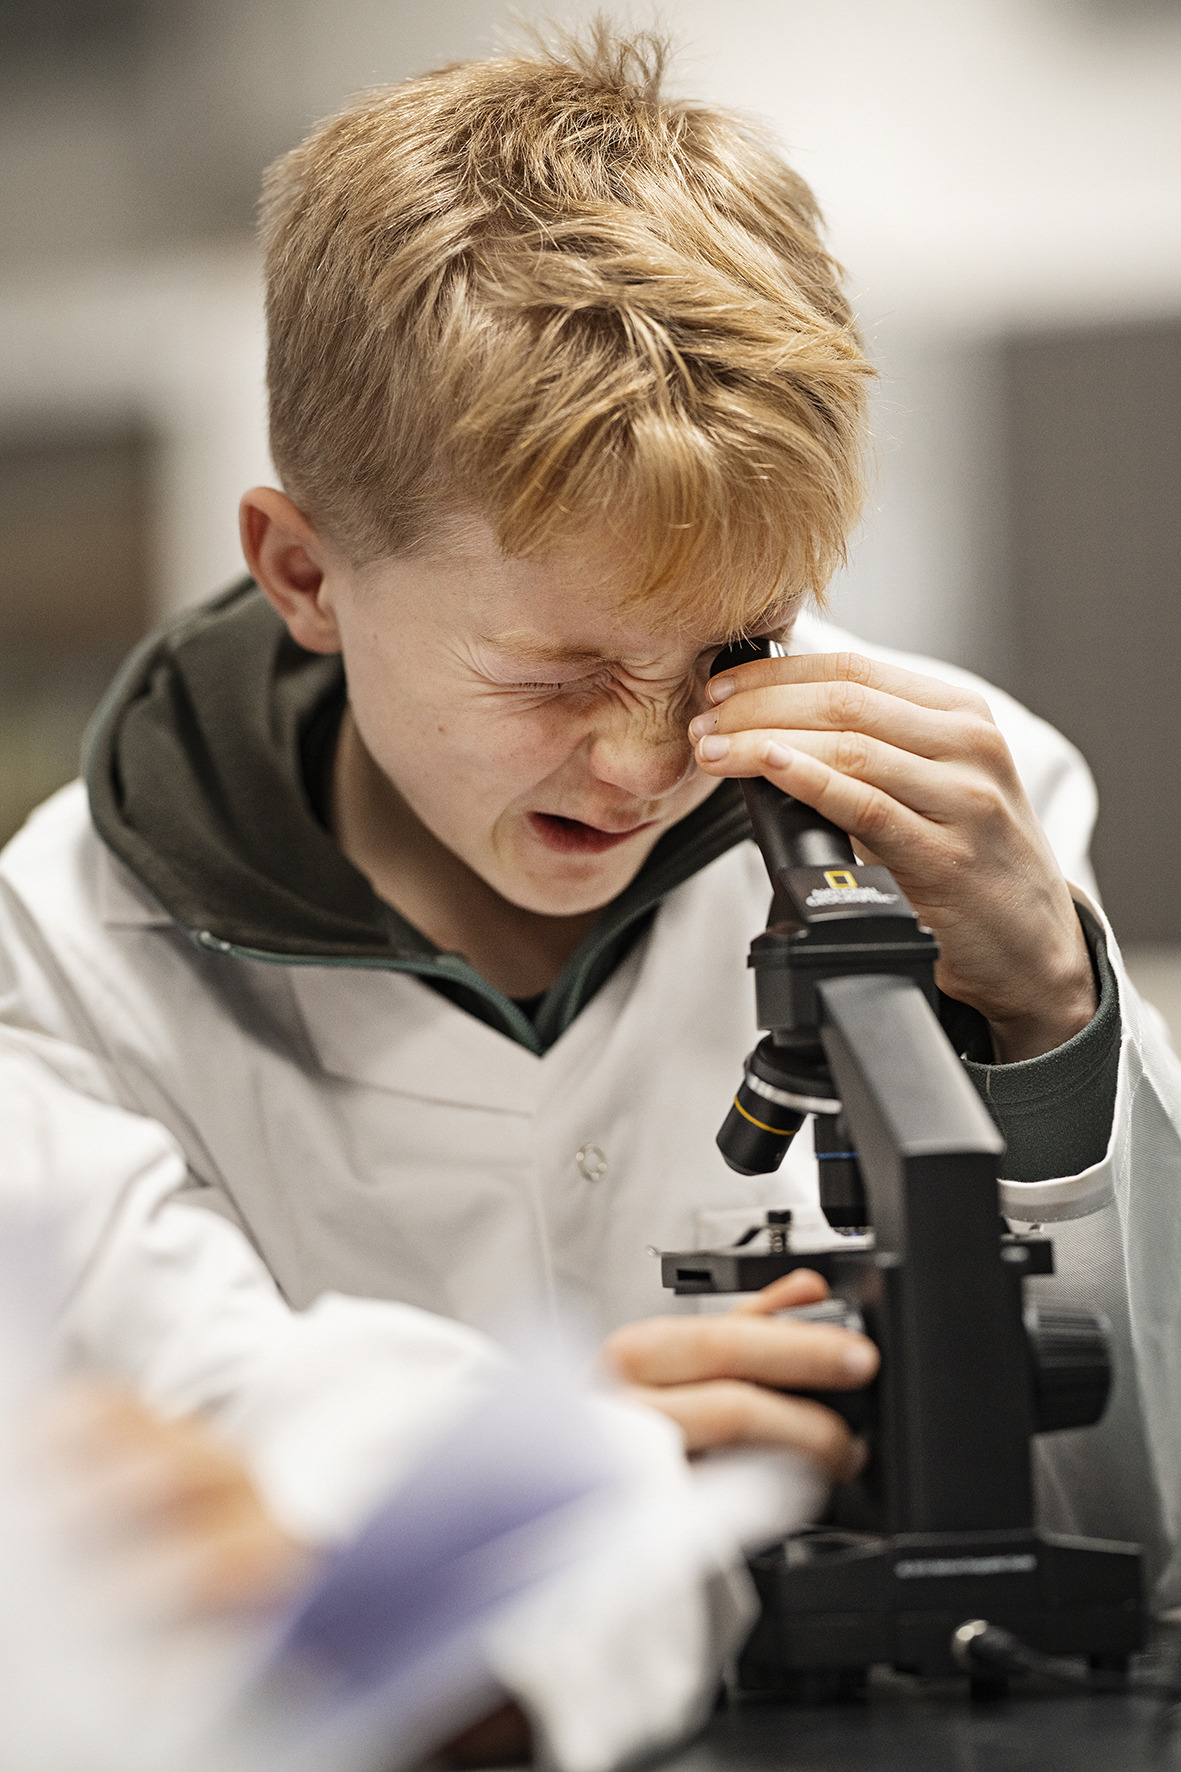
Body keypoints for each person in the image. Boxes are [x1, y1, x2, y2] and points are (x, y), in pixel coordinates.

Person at [2, 21, 1181, 1764]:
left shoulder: (971, 806)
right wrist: (533, 1469)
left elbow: (1133, 1523)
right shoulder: (72, 952)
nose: (642, 764)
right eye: (554, 674)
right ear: (305, 570)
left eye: (730, 649)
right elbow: (159, 1556)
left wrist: (1045, 1020)